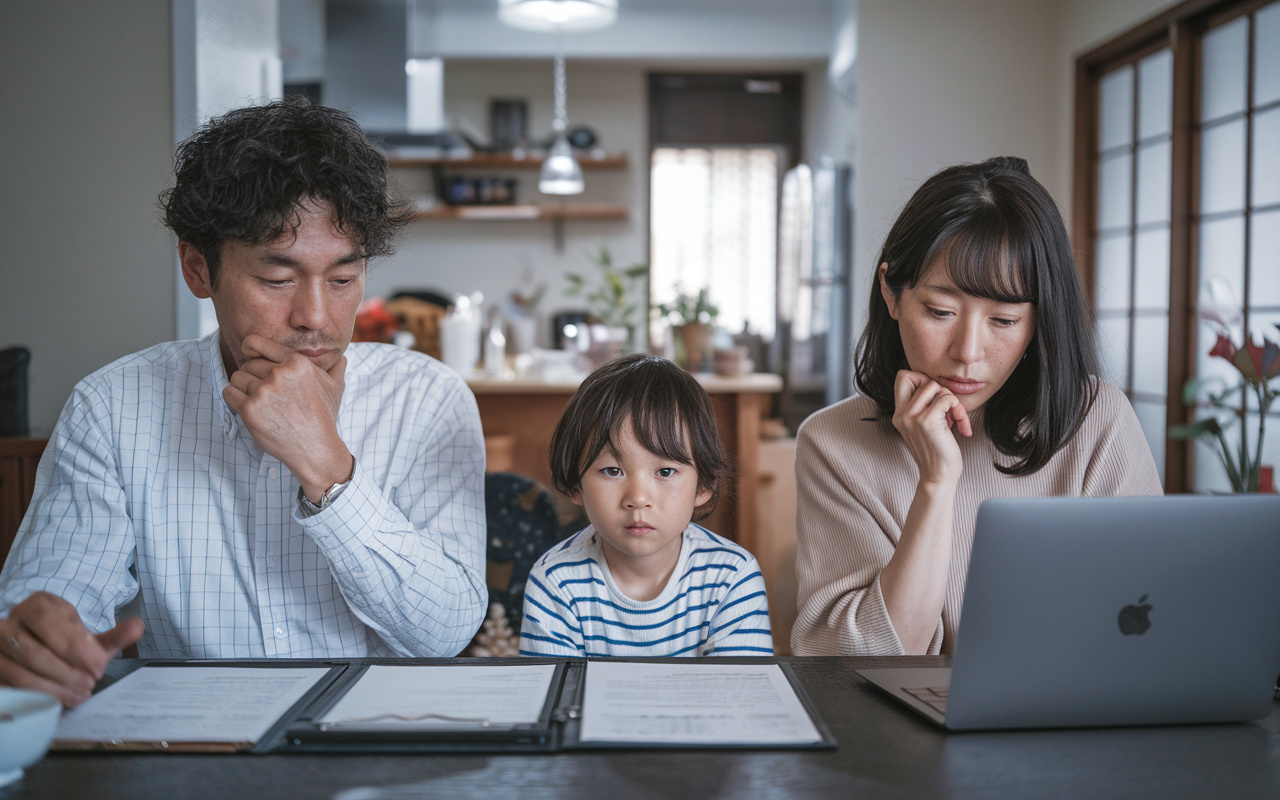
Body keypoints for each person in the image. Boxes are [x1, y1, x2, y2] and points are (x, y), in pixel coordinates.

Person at [0, 98, 488, 706]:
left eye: (343, 279)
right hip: (192, 754)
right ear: (199, 269)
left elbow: (444, 632)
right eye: (277, 279)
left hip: (371, 754)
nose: (316, 318)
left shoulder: (428, 399)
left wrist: (327, 469)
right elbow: (51, 601)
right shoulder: (113, 407)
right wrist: (40, 639)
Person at [791, 156, 1162, 657]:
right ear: (891, 292)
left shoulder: (1098, 420)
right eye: (940, 312)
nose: (967, 352)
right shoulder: (834, 441)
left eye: (1004, 321)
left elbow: (1148, 622)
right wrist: (937, 482)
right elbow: (854, 663)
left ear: (1038, 322)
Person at [519, 354, 773, 657]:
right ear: (576, 484)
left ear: (703, 485)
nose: (638, 498)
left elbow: (738, 698)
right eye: (612, 471)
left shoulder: (732, 578)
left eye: (665, 472)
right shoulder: (554, 582)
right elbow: (558, 700)